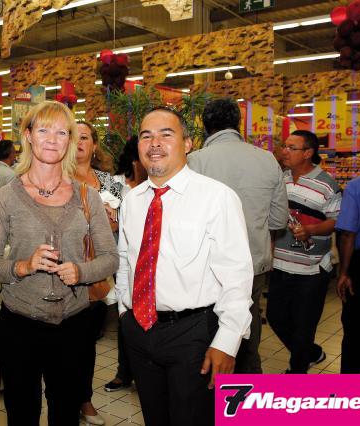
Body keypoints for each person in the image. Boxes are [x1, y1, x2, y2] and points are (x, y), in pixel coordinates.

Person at [0, 101, 118, 426]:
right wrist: (22, 267)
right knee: (21, 414)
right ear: (28, 135)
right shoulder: (6, 197)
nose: (52, 139)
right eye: (44, 130)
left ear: (70, 140)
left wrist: (81, 272)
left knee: (66, 415)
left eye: (61, 132)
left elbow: (110, 258)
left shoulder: (87, 196)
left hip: (74, 326)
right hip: (20, 324)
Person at [115, 107, 253, 426]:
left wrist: (227, 341)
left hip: (193, 334)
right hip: (139, 331)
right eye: (146, 136)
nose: (155, 143)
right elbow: (126, 259)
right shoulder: (133, 200)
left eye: (166, 134)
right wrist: (124, 310)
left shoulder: (216, 197)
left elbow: (237, 276)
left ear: (188, 143)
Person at [188, 98, 289, 374]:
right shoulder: (267, 159)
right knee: (247, 333)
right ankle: (245, 390)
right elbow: (279, 219)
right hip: (253, 263)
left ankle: (210, 389)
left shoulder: (195, 161)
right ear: (238, 123)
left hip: (206, 267)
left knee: (207, 334)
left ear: (206, 126)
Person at [267, 130, 341, 374]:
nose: (284, 151)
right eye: (284, 146)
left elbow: (336, 220)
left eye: (292, 147)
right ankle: (310, 353)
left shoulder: (327, 184)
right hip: (280, 265)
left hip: (312, 269)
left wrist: (311, 230)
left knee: (303, 327)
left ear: (308, 153)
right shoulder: (281, 179)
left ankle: (297, 374)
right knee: (276, 317)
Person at [74, 121, 123, 426]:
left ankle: (84, 399)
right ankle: (66, 398)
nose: (79, 142)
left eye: (85, 137)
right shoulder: (57, 178)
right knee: (65, 342)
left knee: (86, 341)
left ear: (94, 145)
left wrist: (112, 221)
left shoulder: (109, 183)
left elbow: (123, 225)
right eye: (73, 136)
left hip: (98, 274)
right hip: (65, 269)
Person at [103, 135, 146, 394]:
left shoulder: (156, 186)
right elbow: (102, 221)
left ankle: (143, 373)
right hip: (123, 259)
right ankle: (124, 372)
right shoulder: (115, 184)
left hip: (149, 260)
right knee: (126, 319)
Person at [336, 142, 360, 373]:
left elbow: (347, 234)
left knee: (355, 330)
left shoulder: (356, 187)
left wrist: (344, 272)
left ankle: (351, 388)